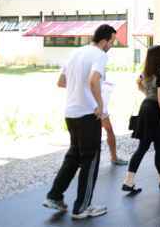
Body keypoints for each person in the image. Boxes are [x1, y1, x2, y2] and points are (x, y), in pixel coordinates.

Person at [44, 25, 116, 219]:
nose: (112, 45)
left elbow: (61, 81)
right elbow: (94, 80)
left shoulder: (75, 52)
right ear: (104, 41)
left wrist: (79, 88)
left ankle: (54, 196)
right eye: (112, 41)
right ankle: (82, 207)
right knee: (90, 159)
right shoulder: (100, 55)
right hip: (87, 114)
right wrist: (99, 105)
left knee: (74, 155)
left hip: (71, 113)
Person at [122, 45, 160, 195]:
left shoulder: (145, 74)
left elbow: (139, 84)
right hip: (154, 110)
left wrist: (147, 94)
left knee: (142, 147)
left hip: (145, 108)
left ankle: (128, 181)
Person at [100, 80, 127, 166]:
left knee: (108, 131)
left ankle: (114, 157)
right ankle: (114, 158)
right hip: (97, 106)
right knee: (108, 131)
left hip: (99, 106)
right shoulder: (95, 68)